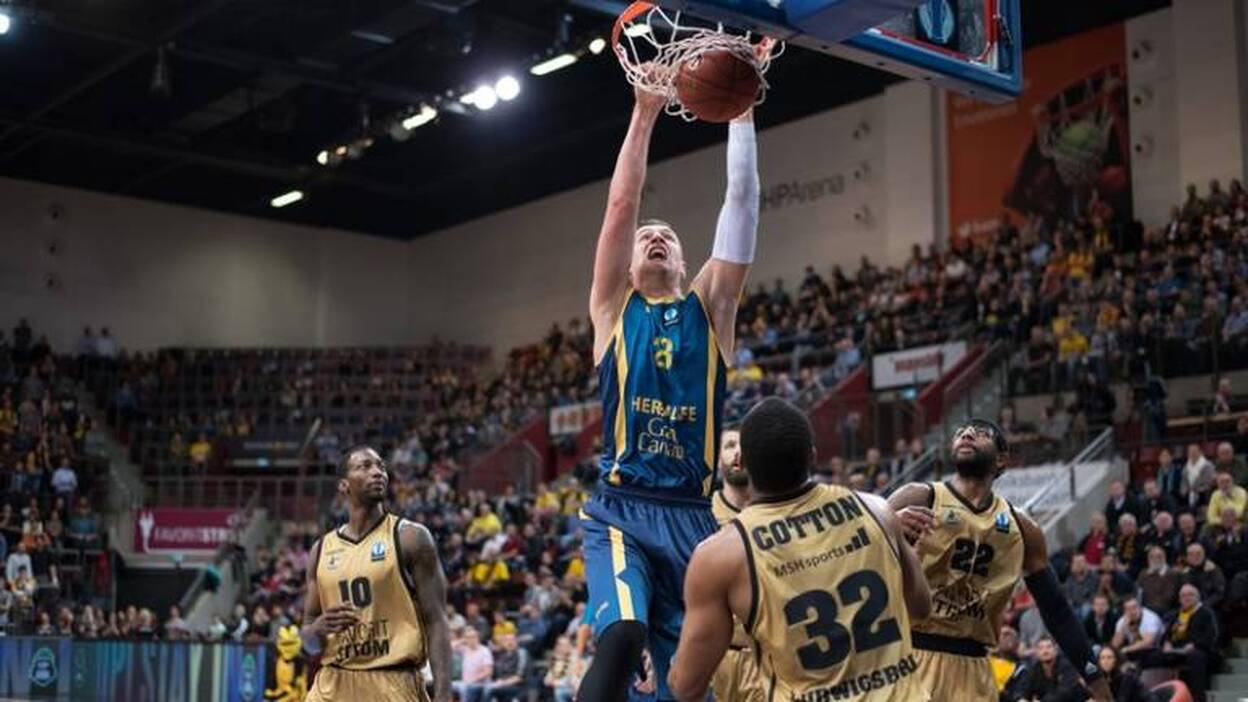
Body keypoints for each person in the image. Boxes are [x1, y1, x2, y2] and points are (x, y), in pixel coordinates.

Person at [580, 47, 765, 702]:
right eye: (645, 237)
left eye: (668, 236)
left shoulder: (710, 310)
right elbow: (621, 204)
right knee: (622, 633)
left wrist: (741, 113)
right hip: (622, 507)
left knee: (686, 687)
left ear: (686, 263)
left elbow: (741, 203)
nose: (655, 236)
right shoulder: (613, 307)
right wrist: (644, 113)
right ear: (628, 265)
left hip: (691, 513)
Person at [667, 398, 932, 701]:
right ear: (813, 456)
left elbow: (686, 686)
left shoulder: (719, 554)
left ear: (741, 463)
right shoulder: (878, 510)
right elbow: (920, 608)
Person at [888, 419, 1110, 701]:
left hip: (974, 668)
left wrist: (1094, 677)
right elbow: (856, 551)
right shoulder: (919, 496)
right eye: (961, 432)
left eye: (981, 433)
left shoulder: (1023, 529)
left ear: (1002, 460)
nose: (968, 434)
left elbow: (1057, 610)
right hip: (909, 654)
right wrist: (885, 526)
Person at [301, 446, 453, 702]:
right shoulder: (321, 550)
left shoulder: (411, 538)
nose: (377, 472)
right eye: (365, 466)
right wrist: (316, 629)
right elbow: (307, 641)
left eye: (381, 466)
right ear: (344, 485)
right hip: (332, 683)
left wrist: (444, 695)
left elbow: (437, 621)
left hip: (393, 682)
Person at [706, 427, 763, 702]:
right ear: (717, 459)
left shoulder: (775, 512)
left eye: (744, 444)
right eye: (730, 445)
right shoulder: (702, 514)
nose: (738, 451)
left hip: (766, 657)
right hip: (714, 658)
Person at [1006, 637, 1081, 702]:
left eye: (1049, 647)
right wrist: (1020, 698)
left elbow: (1065, 692)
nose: (1045, 651)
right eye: (1041, 648)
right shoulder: (1034, 669)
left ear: (1055, 650)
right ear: (1036, 652)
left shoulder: (1066, 666)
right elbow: (1022, 687)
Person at [1111, 597, 1163, 661]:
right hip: (1133, 651)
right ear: (1124, 611)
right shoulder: (1122, 621)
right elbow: (1115, 644)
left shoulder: (1150, 618)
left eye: (1134, 607)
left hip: (1156, 649)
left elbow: (1148, 642)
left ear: (1140, 608)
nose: (1132, 611)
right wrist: (1123, 627)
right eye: (1128, 609)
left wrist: (1126, 649)